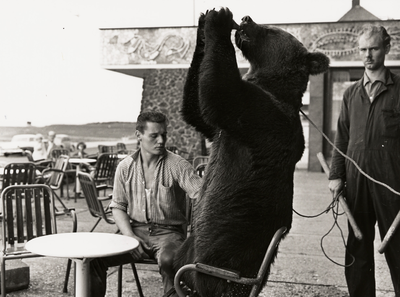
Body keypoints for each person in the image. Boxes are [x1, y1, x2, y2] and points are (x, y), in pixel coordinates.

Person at [90, 111, 202, 296]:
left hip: (169, 234)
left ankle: (174, 293)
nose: (161, 140)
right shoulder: (125, 167)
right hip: (134, 230)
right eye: (154, 136)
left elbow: (201, 194)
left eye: (163, 135)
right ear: (138, 135)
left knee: (169, 260)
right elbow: (117, 206)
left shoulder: (177, 165)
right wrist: (129, 236)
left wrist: (195, 234)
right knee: (95, 259)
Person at [328, 24, 400, 297]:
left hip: (392, 184)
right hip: (356, 184)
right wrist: (336, 176)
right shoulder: (351, 94)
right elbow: (341, 138)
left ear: (387, 48)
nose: (367, 55)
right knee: (357, 249)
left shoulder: (399, 90)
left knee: (398, 248)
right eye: (363, 50)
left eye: (374, 48)